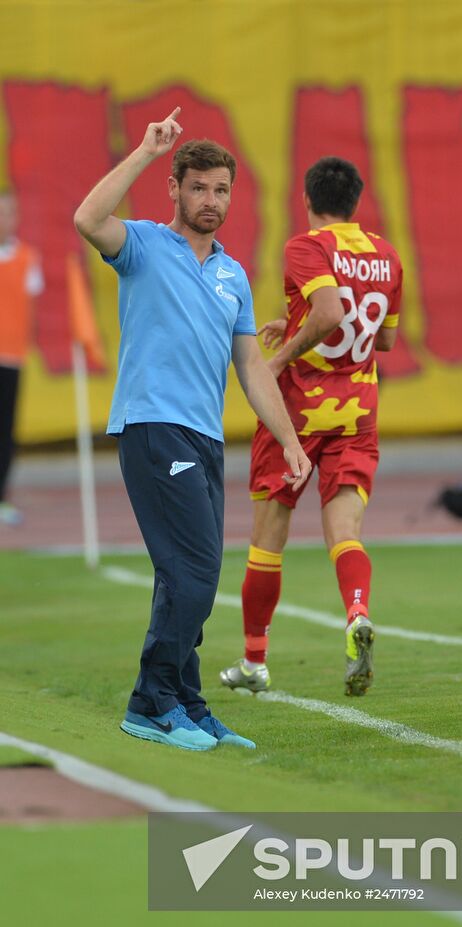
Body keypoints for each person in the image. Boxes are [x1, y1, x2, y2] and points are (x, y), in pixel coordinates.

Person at [74, 107, 311, 752]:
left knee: (184, 574)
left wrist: (290, 440)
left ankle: (188, 703)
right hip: (153, 426)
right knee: (197, 572)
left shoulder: (233, 276)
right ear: (175, 189)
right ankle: (150, 705)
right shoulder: (144, 246)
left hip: (205, 439)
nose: (211, 200)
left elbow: (252, 368)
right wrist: (149, 149)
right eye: (199, 187)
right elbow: (87, 219)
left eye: (221, 189)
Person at [220, 156, 403, 698]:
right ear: (356, 201)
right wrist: (295, 321)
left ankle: (255, 660)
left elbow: (326, 314)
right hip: (358, 410)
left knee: (268, 539)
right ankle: (357, 612)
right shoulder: (386, 255)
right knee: (345, 534)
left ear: (307, 200)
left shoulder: (307, 247)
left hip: (298, 411)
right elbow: (385, 341)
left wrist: (279, 359)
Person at [0, 190, 43, 526]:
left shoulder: (28, 258)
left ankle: (2, 497)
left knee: (5, 431)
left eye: (9, 213)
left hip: (12, 358)